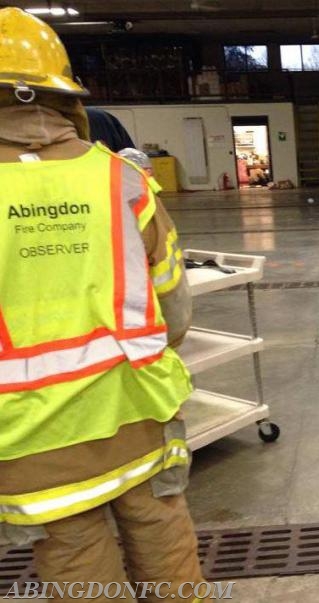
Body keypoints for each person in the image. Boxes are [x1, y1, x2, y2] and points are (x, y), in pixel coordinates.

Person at [0, 8, 205, 599]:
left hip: (31, 436)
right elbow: (175, 306)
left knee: (75, 563)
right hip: (138, 410)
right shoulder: (122, 179)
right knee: (166, 544)